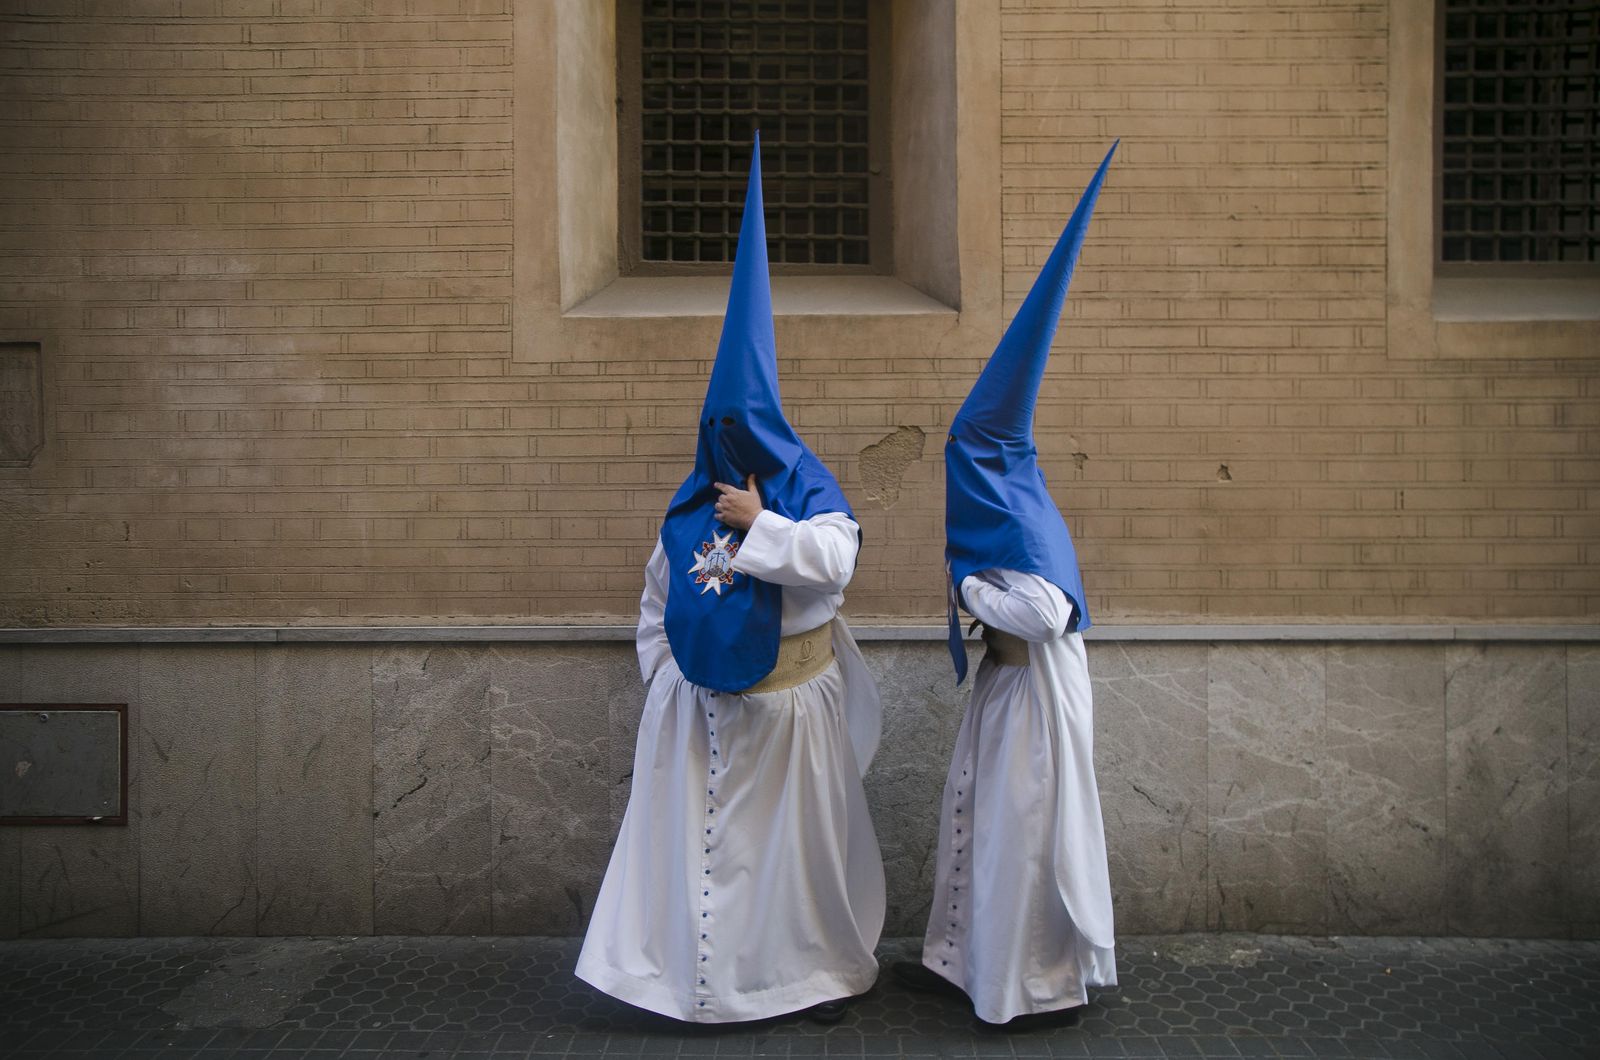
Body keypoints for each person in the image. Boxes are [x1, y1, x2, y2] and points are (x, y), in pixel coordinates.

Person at [576, 136, 885, 1025]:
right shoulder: (686, 507)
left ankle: (808, 981)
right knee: (702, 860)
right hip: (705, 720)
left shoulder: (807, 491)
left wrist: (762, 527)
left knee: (790, 865)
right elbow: (654, 600)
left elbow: (837, 562)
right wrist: (672, 680)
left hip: (791, 720)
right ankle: (683, 985)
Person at [894, 144, 1120, 1030]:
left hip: (1034, 700)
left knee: (1023, 845)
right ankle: (967, 968)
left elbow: (1047, 609)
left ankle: (1035, 988)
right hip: (1005, 693)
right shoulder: (1009, 515)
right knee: (979, 831)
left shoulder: (1023, 518)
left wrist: (969, 594)